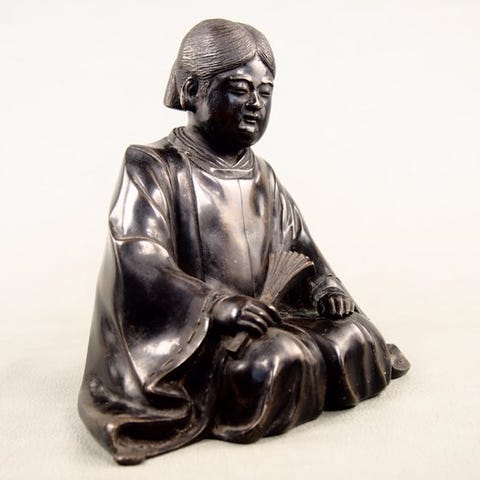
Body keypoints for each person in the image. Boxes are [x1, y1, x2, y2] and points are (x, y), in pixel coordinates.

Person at [78, 19, 409, 465]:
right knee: (275, 362)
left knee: (356, 338)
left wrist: (324, 287)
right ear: (193, 90)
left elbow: (299, 245)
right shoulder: (153, 166)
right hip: (199, 334)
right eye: (239, 89)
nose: (255, 103)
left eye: (265, 92)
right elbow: (140, 258)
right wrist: (217, 307)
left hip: (270, 312)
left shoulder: (262, 175)